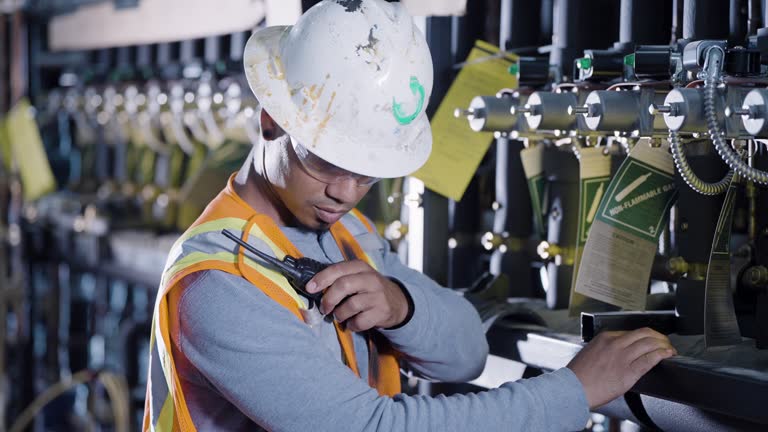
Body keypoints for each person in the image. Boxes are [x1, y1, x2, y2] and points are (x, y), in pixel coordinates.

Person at [143, 1, 677, 431]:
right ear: (271, 122)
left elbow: (467, 352)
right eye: (330, 161)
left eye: (369, 171)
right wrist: (574, 391)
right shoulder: (218, 284)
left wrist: (402, 307)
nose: (347, 193)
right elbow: (369, 426)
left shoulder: (345, 233)